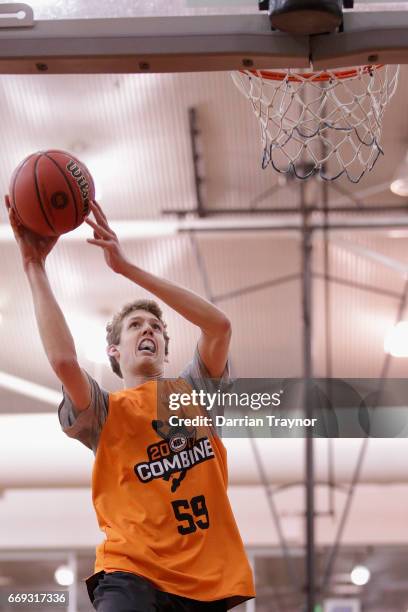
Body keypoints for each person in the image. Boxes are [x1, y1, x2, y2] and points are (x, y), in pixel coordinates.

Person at [6, 197, 255, 611]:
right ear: (115, 351)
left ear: (164, 348)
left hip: (205, 580)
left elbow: (219, 326)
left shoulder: (195, 392)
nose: (149, 330)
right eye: (136, 325)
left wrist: (128, 269)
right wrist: (33, 266)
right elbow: (65, 362)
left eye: (157, 327)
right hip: (130, 571)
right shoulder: (104, 412)